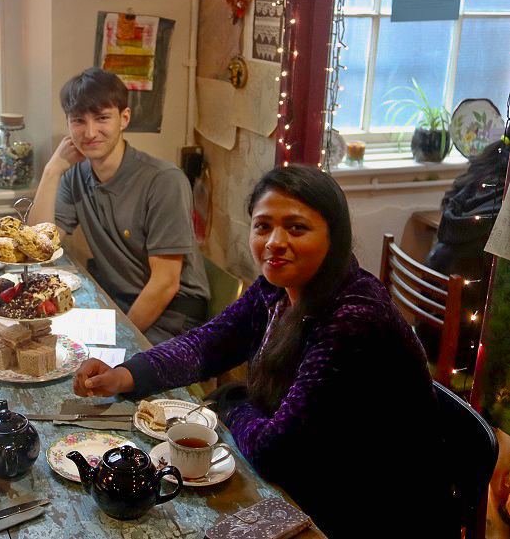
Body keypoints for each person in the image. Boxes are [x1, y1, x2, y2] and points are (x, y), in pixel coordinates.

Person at [72, 165, 453, 539]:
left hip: (370, 506)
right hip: (315, 473)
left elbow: (276, 452)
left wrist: (232, 403)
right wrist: (124, 374)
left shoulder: (352, 318)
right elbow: (208, 344)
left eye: (296, 227)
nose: (274, 242)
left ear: (334, 236)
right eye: (263, 225)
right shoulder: (278, 287)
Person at [28, 67, 209, 344]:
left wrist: (119, 339)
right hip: (118, 302)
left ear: (124, 118)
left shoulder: (163, 180)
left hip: (173, 313)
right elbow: (38, 251)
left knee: (97, 374)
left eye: (102, 118)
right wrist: (52, 170)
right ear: (67, 123)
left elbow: (165, 284)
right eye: (78, 120)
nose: (89, 132)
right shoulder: (75, 174)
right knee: (41, 341)